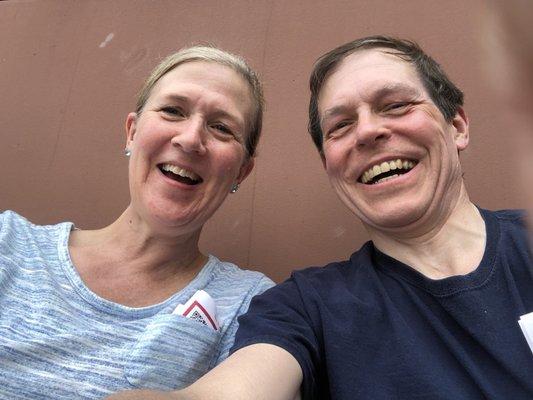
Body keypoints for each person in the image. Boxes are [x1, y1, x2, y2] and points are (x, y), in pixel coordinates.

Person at [107, 36, 533, 400]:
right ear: (329, 162)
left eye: (397, 105)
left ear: (456, 125)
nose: (367, 132)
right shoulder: (304, 308)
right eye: (340, 126)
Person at [0, 45, 273, 399]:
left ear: (242, 171)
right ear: (132, 132)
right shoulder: (9, 243)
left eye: (221, 128)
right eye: (173, 110)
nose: (190, 139)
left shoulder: (249, 303)